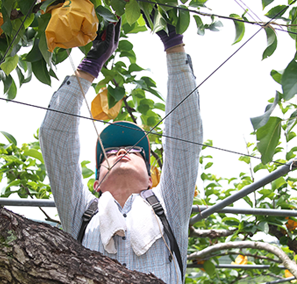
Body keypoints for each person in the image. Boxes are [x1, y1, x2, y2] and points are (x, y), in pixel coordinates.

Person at [40, 14, 202, 284]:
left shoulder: (168, 206)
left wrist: (174, 46)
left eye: (134, 151)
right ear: (96, 183)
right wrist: (90, 66)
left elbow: (185, 136)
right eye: (110, 153)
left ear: (151, 180)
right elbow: (54, 135)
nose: (122, 152)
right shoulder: (81, 212)